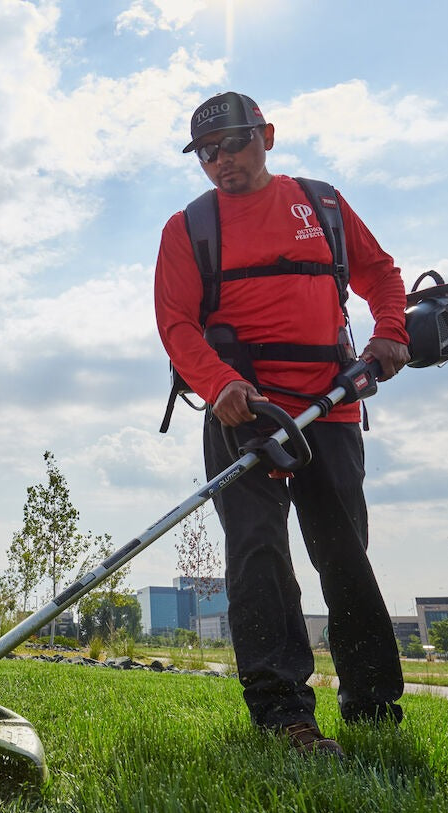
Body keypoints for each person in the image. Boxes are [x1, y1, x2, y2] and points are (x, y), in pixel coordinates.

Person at [154, 92, 408, 758]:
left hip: (332, 404)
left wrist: (390, 333)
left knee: (343, 552)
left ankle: (373, 706)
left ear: (266, 136)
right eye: (206, 153)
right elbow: (177, 324)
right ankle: (284, 715)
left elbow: (381, 273)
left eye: (232, 144)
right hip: (246, 413)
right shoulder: (189, 227)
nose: (220, 161)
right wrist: (221, 384)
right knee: (259, 556)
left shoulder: (321, 204)